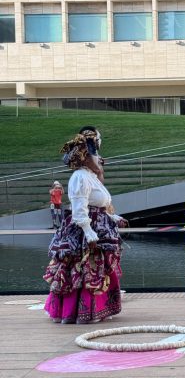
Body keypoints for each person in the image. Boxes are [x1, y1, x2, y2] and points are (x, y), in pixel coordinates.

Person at [43, 126, 128, 324]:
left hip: (98, 227)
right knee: (84, 270)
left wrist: (115, 218)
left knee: (97, 270)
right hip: (85, 233)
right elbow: (80, 209)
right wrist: (89, 233)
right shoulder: (80, 177)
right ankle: (78, 313)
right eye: (94, 155)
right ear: (85, 158)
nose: (99, 158)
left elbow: (100, 204)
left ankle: (97, 310)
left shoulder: (91, 176)